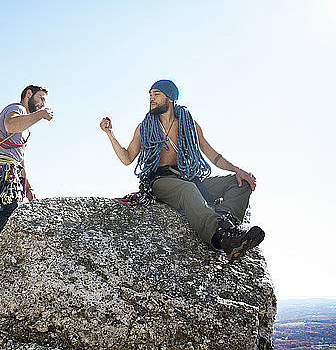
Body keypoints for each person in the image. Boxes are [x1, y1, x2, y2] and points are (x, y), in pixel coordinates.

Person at [100, 79, 265, 260]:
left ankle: (225, 223)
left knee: (240, 182)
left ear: (170, 98)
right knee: (188, 190)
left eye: (156, 94)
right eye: (150, 95)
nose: (151, 99)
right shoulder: (144, 127)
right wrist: (110, 134)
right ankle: (220, 238)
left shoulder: (189, 125)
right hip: (161, 181)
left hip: (189, 177)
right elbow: (127, 158)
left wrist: (237, 170)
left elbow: (213, 155)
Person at [0, 85, 54, 257]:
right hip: (1, 172)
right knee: (11, 211)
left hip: (10, 173)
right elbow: (11, 125)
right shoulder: (16, 109)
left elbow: (20, 159)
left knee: (7, 213)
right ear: (29, 94)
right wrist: (41, 114)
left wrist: (28, 187)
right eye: (41, 98)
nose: (42, 103)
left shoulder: (26, 127)